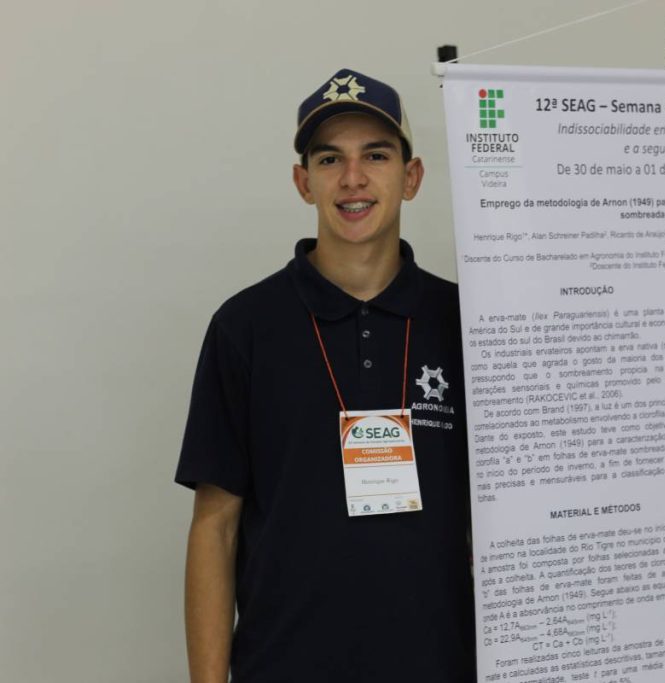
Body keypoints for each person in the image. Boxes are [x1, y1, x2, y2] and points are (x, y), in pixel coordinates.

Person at [175, 68, 475, 682]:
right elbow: (215, 527)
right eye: (329, 158)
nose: (352, 178)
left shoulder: (467, 322)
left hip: (442, 664)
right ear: (303, 181)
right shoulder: (245, 326)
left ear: (411, 177)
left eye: (376, 155)